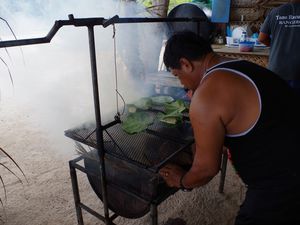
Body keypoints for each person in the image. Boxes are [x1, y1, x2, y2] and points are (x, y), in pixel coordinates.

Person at [159, 31, 300, 225]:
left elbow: (206, 170)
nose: (182, 83)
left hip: (283, 181)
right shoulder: (241, 65)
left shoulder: (207, 95)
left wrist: (181, 180)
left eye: (178, 76)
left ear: (186, 64)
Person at [258, 0, 300, 95]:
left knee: (279, 106)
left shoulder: (275, 12)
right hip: (297, 71)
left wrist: (277, 45)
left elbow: (261, 38)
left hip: (276, 70)